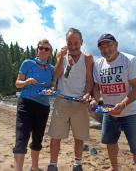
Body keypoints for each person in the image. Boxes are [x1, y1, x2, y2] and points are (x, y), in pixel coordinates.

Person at [90, 33, 136, 171]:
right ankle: (114, 167)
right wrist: (95, 99)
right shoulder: (98, 64)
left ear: (116, 45)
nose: (106, 50)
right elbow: (97, 87)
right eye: (102, 47)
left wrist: (123, 104)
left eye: (109, 45)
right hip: (109, 112)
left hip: (132, 112)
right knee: (110, 142)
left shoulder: (130, 60)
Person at [47, 28, 93, 171]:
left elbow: (90, 81)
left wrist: (88, 93)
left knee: (79, 136)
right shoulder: (62, 55)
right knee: (55, 135)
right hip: (61, 101)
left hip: (80, 103)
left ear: (81, 42)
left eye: (76, 43)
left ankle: (77, 164)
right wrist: (60, 58)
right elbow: (56, 75)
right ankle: (53, 164)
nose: (72, 46)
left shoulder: (87, 58)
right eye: (69, 43)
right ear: (66, 42)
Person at [13, 39, 55, 171]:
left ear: (50, 53)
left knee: (37, 139)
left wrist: (51, 91)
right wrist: (26, 82)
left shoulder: (52, 69)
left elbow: (53, 88)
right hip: (25, 103)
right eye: (40, 48)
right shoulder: (27, 63)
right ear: (37, 50)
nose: (43, 50)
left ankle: (35, 168)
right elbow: (17, 83)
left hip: (43, 107)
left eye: (46, 49)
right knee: (22, 138)